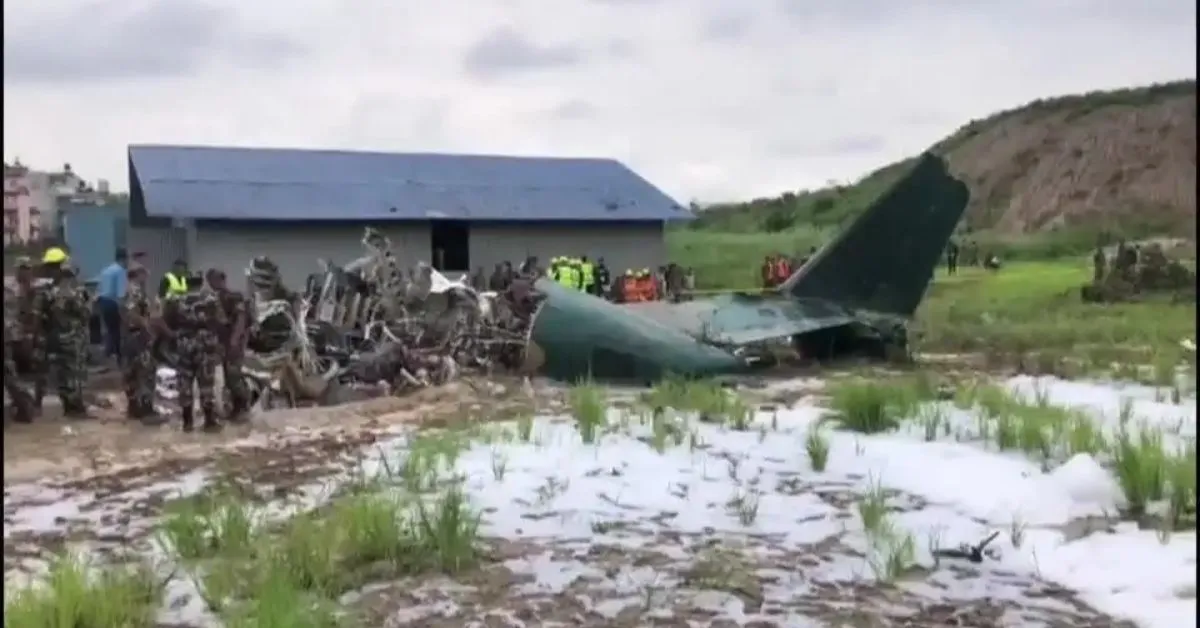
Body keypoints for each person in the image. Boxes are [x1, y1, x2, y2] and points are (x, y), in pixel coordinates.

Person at [162, 273, 226, 432]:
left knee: (185, 382)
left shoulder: (175, 300)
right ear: (201, 282)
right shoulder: (210, 299)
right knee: (206, 382)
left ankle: (187, 421)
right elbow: (219, 320)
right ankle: (209, 420)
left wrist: (174, 335)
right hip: (205, 344)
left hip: (184, 343)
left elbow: (166, 320)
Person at [39, 250, 92, 419]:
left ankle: (75, 410)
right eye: (49, 267)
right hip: (64, 339)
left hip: (73, 339)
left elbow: (85, 313)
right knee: (67, 377)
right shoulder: (58, 289)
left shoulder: (68, 289)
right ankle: (72, 409)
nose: (50, 270)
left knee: (73, 376)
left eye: (52, 267)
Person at [120, 262, 165, 424]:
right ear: (138, 274)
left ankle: (133, 408)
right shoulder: (136, 292)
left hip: (129, 337)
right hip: (139, 337)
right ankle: (146, 410)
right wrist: (147, 328)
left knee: (131, 371)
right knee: (145, 371)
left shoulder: (127, 290)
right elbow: (133, 314)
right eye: (144, 273)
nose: (146, 277)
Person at [208, 269, 251, 422]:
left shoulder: (233, 297)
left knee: (234, 375)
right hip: (221, 342)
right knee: (225, 376)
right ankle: (235, 407)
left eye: (216, 279)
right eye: (211, 280)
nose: (213, 283)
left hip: (233, 342)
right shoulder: (211, 299)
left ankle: (243, 405)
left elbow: (241, 319)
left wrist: (234, 340)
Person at [11, 257, 45, 416]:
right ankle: (20, 401)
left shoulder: (36, 290)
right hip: (14, 335)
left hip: (32, 334)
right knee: (13, 371)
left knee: (38, 368)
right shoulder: (13, 289)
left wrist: (32, 334)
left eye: (24, 269)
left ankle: (38, 402)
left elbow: (36, 314)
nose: (21, 272)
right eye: (19, 269)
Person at [96, 248, 129, 361]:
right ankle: (115, 357)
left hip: (103, 302)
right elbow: (120, 294)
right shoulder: (120, 271)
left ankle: (107, 355)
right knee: (116, 331)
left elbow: (99, 288)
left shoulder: (106, 270)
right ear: (123, 259)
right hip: (113, 303)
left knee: (109, 330)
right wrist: (123, 311)